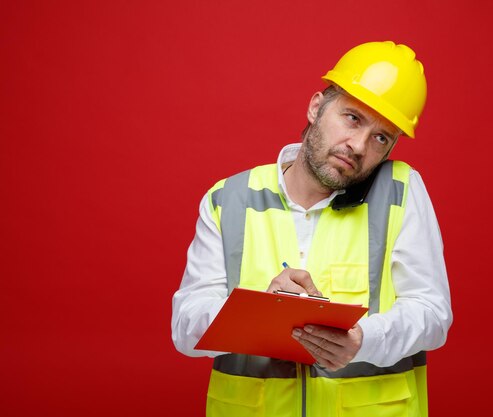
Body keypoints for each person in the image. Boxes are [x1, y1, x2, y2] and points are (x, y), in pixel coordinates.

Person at [172, 41, 452, 417]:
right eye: (352, 118)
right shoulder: (228, 200)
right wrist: (257, 311)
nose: (357, 145)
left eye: (381, 137)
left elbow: (433, 315)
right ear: (317, 106)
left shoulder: (400, 192)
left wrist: (362, 340)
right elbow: (186, 330)